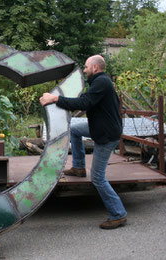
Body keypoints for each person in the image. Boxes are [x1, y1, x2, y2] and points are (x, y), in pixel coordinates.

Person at [39, 55, 127, 229]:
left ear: (95, 67)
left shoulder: (101, 82)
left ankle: (118, 214)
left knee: (97, 178)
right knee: (75, 130)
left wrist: (55, 98)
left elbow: (84, 103)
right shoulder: (99, 82)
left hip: (106, 134)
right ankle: (79, 167)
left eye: (86, 67)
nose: (85, 70)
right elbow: (86, 100)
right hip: (101, 127)